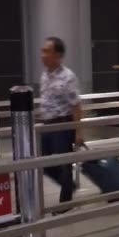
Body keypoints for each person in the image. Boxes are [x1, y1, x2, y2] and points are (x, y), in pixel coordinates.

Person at [38, 37, 84, 205]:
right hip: (47, 125)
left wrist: (78, 132)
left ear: (57, 55)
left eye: (46, 51)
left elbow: (76, 106)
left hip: (63, 125)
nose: (42, 55)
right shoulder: (44, 75)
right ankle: (69, 186)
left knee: (64, 165)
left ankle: (66, 203)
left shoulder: (67, 77)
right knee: (44, 162)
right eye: (42, 51)